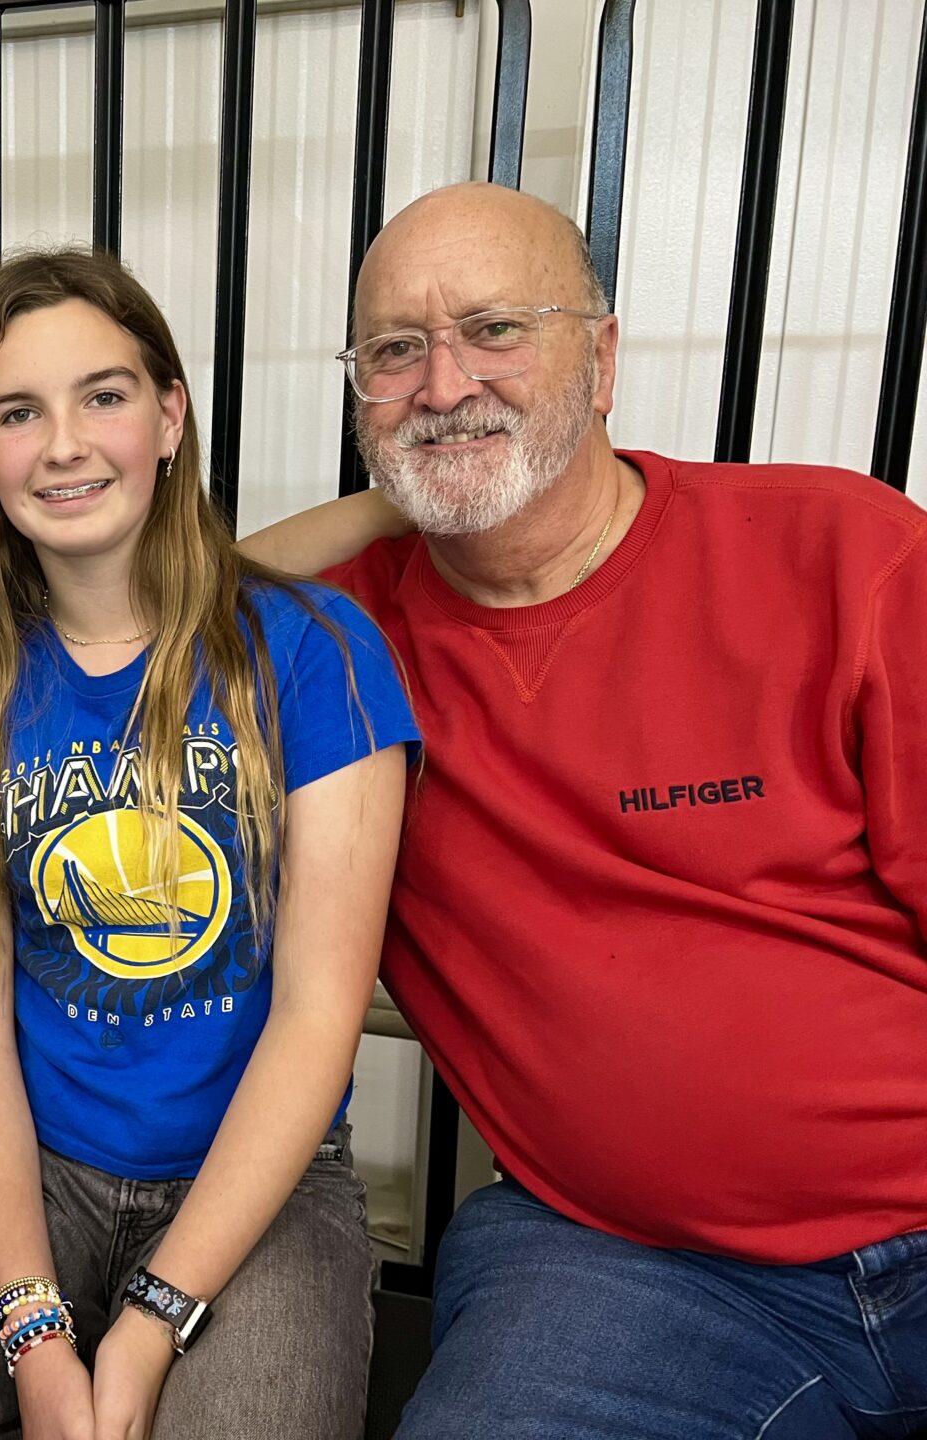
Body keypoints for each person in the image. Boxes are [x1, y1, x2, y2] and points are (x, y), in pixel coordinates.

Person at [237, 181, 927, 1437]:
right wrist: (434, 469)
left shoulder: (842, 553)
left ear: (603, 361)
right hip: (629, 1264)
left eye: (496, 331)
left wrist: (477, 444)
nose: (443, 382)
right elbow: (151, 599)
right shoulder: (336, 646)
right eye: (395, 353)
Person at [0, 248, 418, 1440]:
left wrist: (155, 1317)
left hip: (256, 1183)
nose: (64, 445)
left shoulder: (315, 651)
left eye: (103, 395)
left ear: (169, 416)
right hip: (28, 1166)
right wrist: (32, 1327)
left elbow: (320, 1016)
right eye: (19, 412)